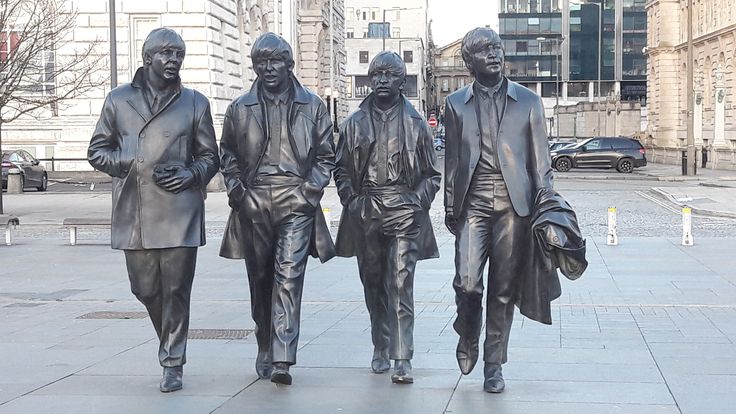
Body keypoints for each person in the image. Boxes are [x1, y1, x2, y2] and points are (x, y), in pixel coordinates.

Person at [88, 28, 219, 393]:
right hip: (136, 209)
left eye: (179, 54)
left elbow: (211, 157)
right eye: (166, 53)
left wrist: (192, 172)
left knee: (177, 289)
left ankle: (172, 361)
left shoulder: (195, 102)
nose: (174, 60)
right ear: (147, 59)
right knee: (144, 288)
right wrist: (131, 159)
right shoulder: (118, 100)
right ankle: (170, 341)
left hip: (180, 209)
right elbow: (96, 151)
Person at [219, 32, 336, 386]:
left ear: (289, 64)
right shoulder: (240, 108)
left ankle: (283, 356)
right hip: (254, 201)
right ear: (254, 67)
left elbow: (327, 155)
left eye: (276, 61)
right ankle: (264, 342)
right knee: (261, 280)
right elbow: (228, 156)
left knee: (288, 277)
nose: (269, 69)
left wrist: (308, 192)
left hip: (296, 201)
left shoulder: (313, 106)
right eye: (262, 62)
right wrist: (240, 194)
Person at [443, 27, 556, 393]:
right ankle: (467, 335)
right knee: (467, 282)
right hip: (472, 202)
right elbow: (452, 161)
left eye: (496, 47)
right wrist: (449, 204)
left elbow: (541, 163)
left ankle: (494, 364)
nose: (493, 54)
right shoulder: (455, 104)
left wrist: (546, 208)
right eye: (483, 50)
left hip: (514, 206)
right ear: (469, 61)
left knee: (503, 289)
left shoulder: (528, 101)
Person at [334, 51, 441, 384]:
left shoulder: (416, 123)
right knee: (373, 283)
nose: (381, 80)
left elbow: (432, 175)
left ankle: (402, 355)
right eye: (376, 74)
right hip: (367, 209)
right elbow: (340, 170)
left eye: (389, 75)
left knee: (400, 283)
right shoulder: (353, 123)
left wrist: (415, 202)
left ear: (401, 80)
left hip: (404, 210)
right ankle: (380, 345)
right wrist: (352, 202)